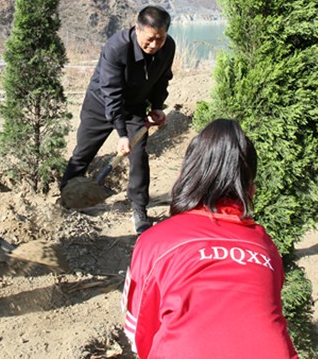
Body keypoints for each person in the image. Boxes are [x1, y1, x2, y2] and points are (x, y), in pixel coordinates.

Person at [122, 119, 297, 358]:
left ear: (183, 177)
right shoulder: (264, 246)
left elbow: (139, 332)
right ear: (251, 190)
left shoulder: (156, 240)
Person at [60, 5, 175, 234]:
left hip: (135, 106)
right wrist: (121, 134)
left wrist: (157, 106)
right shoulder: (117, 47)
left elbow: (162, 78)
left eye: (160, 39)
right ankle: (66, 200)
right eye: (150, 39)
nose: (154, 45)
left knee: (139, 154)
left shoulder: (168, 46)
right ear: (137, 29)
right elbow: (111, 94)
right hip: (101, 104)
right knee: (83, 152)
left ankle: (139, 208)